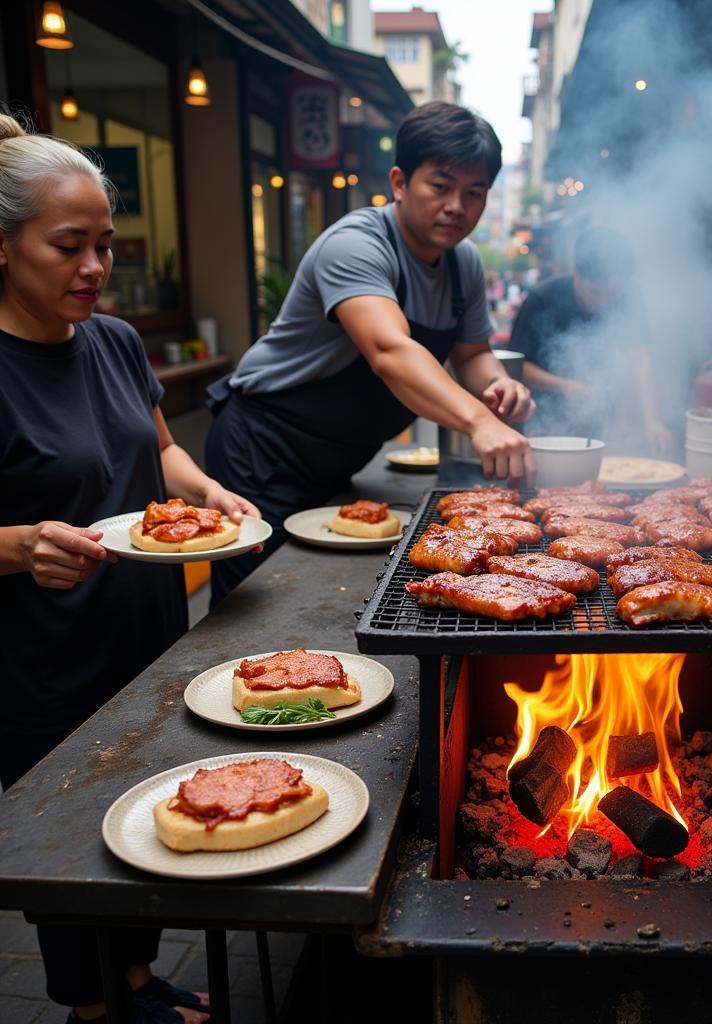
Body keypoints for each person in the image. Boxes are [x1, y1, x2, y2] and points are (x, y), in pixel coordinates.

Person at [0, 115, 258, 1024]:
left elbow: (158, 456)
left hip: (142, 629)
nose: (94, 268)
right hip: (41, 652)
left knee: (143, 808)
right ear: (2, 247)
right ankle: (92, 1003)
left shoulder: (111, 342)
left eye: (105, 245)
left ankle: (137, 980)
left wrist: (213, 494)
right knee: (67, 832)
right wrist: (19, 545)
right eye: (68, 246)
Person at [205, 101, 535, 605]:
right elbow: (389, 350)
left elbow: (472, 354)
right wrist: (478, 422)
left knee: (317, 593)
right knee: (255, 601)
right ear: (400, 182)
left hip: (337, 455)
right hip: (264, 449)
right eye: (440, 187)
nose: (457, 207)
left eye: (474, 193)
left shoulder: (463, 262)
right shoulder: (357, 244)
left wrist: (497, 385)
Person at [508, 227, 673, 454]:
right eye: (596, 293)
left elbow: (639, 356)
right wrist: (566, 386)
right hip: (543, 420)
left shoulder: (629, 294)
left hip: (599, 415)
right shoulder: (541, 299)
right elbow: (518, 367)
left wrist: (652, 420)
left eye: (612, 294)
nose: (605, 303)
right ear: (577, 273)